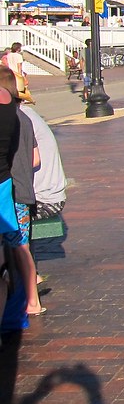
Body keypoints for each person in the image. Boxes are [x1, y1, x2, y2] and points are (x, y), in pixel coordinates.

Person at [0, 67, 43, 316]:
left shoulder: (15, 118)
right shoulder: (23, 117)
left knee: (18, 246)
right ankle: (30, 297)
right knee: (19, 247)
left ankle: (31, 299)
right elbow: (36, 159)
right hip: (21, 187)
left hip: (15, 189)